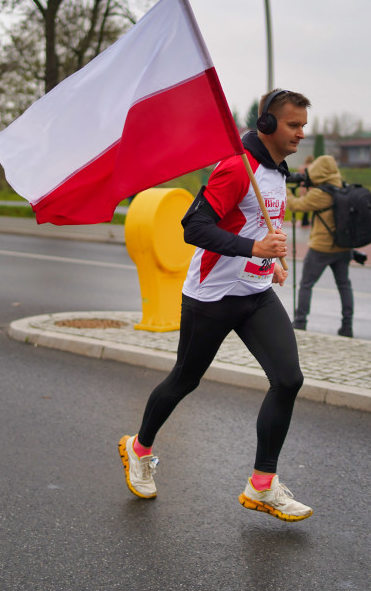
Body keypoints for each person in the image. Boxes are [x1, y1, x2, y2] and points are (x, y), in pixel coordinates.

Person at [119, 89, 313, 522]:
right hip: (212, 296)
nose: (301, 133)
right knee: (185, 380)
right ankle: (139, 447)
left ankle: (262, 484)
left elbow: (256, 223)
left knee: (288, 379)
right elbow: (194, 226)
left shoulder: (276, 172)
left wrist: (267, 263)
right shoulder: (236, 168)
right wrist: (254, 248)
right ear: (267, 124)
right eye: (293, 124)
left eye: (303, 125)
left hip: (255, 294)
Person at [285, 155, 355, 337]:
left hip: (321, 248)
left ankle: (300, 322)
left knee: (306, 284)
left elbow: (296, 205)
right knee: (344, 285)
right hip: (343, 247)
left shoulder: (320, 194)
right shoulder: (343, 187)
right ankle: (347, 325)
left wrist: (285, 189)